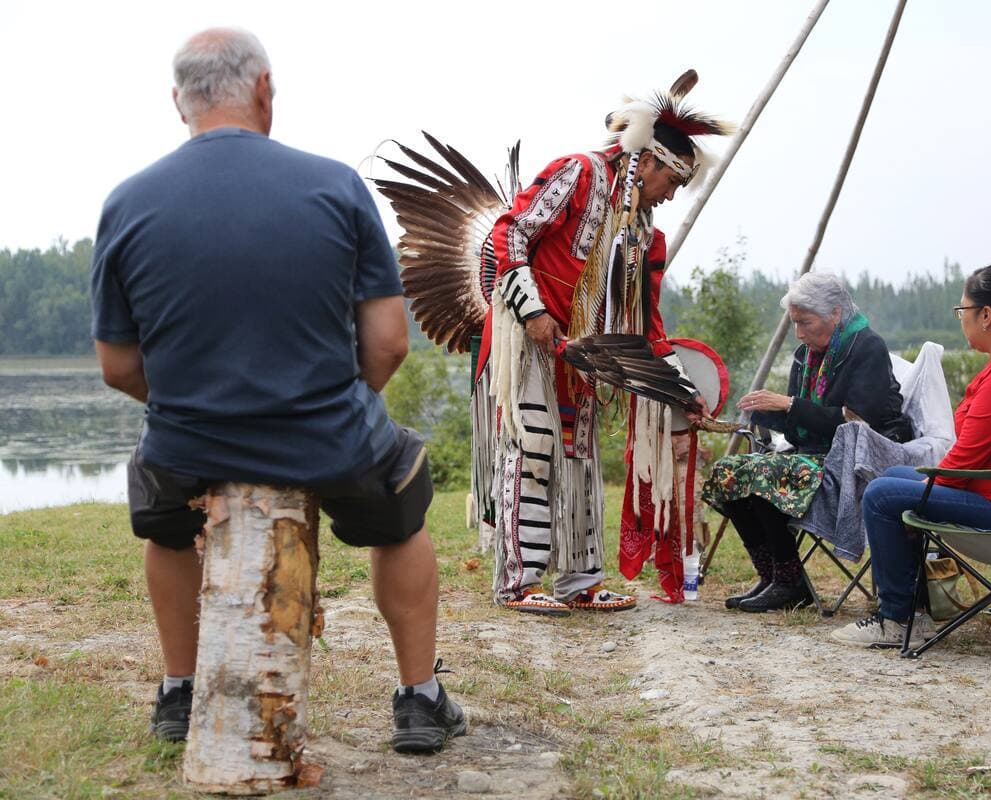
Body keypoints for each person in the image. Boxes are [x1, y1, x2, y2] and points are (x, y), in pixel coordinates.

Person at [89, 28, 464, 753]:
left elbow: (116, 365)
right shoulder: (334, 185)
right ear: (264, 89)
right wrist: (331, 400)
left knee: (165, 519)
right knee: (403, 507)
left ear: (179, 103)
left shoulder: (127, 202)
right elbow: (388, 345)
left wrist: (192, 404)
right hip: (330, 438)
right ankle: (419, 700)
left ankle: (178, 692)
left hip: (189, 443)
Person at [484, 73, 733, 614]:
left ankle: (580, 583)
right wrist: (532, 312)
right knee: (535, 447)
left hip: (589, 355)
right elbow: (509, 234)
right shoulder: (577, 173)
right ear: (646, 162)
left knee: (580, 458)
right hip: (528, 338)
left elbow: (647, 322)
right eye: (671, 181)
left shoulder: (644, 232)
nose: (669, 196)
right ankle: (519, 583)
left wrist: (680, 388)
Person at [832, 262, 991, 647]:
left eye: (963, 310)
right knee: (893, 478)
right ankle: (918, 607)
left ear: (986, 315)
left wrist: (927, 485)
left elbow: (961, 466)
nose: (961, 319)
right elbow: (967, 461)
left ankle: (898, 618)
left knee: (882, 494)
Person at [702, 273, 912, 612]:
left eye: (805, 322)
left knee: (766, 474)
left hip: (861, 458)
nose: (799, 333)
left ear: (834, 313)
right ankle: (775, 575)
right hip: (813, 454)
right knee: (731, 473)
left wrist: (788, 405)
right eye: (795, 323)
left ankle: (789, 582)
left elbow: (859, 422)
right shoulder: (805, 355)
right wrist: (759, 411)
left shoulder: (866, 346)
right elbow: (799, 425)